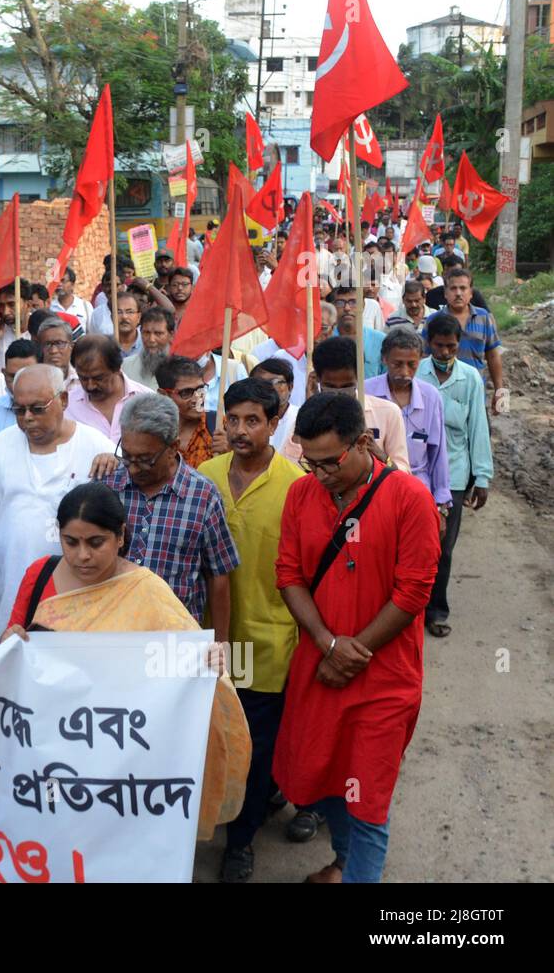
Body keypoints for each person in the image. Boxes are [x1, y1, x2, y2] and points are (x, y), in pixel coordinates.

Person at [0, 482, 250, 842]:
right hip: (46, 745)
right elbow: (11, 650)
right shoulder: (40, 574)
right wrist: (10, 645)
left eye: (95, 542)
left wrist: (208, 662)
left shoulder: (145, 591)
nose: (82, 555)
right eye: (71, 542)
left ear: (120, 536)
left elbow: (181, 666)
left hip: (116, 756)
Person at [274, 393, 440, 883]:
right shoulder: (302, 495)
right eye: (310, 462)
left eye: (331, 462)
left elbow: (413, 593)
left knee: (367, 797)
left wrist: (352, 651)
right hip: (320, 667)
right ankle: (343, 864)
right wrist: (328, 643)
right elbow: (288, 575)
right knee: (326, 780)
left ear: (364, 442)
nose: (320, 474)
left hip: (384, 677)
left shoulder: (410, 499)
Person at [196, 380, 305, 882]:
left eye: (252, 420)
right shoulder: (204, 476)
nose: (240, 430)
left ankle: (241, 842)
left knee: (257, 745)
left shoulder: (296, 485)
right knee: (211, 737)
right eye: (233, 419)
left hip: (267, 639)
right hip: (208, 638)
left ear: (274, 422)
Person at [0, 364, 117, 654]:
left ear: (64, 401)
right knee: (7, 666)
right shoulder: (2, 445)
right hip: (6, 585)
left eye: (37, 408)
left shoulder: (97, 447)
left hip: (74, 592)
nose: (28, 419)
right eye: (19, 410)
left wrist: (115, 461)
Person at [102, 394, 238, 638]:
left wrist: (220, 643)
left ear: (173, 447)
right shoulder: (107, 484)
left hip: (175, 641)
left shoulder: (203, 496)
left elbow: (218, 575)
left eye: (144, 460)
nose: (132, 468)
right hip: (111, 634)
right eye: (126, 456)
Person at [419, 313, 493, 638]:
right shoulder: (416, 373)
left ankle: (436, 610)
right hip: (418, 473)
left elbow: (478, 426)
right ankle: (409, 609)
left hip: (456, 475)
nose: (445, 353)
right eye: (439, 346)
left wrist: (483, 475)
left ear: (458, 345)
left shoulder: (471, 378)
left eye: (451, 347)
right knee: (412, 546)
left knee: (443, 547)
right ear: (428, 344)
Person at [366, 329, 453, 516]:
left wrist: (441, 502)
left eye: (411, 365)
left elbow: (438, 454)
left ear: (420, 360)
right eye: (397, 364)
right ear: (384, 359)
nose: (404, 372)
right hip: (375, 492)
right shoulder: (366, 393)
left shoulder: (430, 397)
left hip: (418, 492)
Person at [296, 335, 410, 471]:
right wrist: (311, 409)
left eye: (347, 386)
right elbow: (294, 466)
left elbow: (404, 472)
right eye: (331, 387)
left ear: (359, 377)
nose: (339, 394)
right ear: (317, 379)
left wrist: (380, 455)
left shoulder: (388, 412)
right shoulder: (307, 414)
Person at [434, 268, 505, 412]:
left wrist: (501, 392)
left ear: (471, 293)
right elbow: (425, 357)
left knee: (481, 433)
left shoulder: (484, 317)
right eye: (453, 288)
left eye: (463, 288)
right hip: (442, 396)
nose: (458, 293)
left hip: (476, 393)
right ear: (445, 293)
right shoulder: (434, 320)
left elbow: (493, 355)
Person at [67, 334, 153, 440]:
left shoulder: (148, 402)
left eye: (98, 378)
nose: (90, 386)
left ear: (117, 368)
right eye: (83, 378)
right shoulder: (67, 406)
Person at [157, 356, 218, 469]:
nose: (197, 399)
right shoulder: (153, 434)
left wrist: (231, 455)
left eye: (201, 389)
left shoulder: (220, 427)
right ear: (164, 395)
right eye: (186, 392)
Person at [331, 285, 385, 377]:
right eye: (340, 303)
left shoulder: (381, 340)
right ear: (333, 306)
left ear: (363, 305)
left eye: (353, 302)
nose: (347, 308)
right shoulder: (325, 340)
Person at [252, 356, 300, 457]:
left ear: (290, 387)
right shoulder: (246, 420)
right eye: (261, 384)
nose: (269, 388)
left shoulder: (301, 419)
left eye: (275, 382)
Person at [122, 305, 175, 391]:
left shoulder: (181, 370)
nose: (151, 339)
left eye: (158, 333)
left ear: (171, 335)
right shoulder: (125, 367)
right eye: (146, 333)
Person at [0, 279, 34, 370]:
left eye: (11, 305)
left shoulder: (39, 332)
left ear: (28, 305)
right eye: (1, 306)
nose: (5, 312)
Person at [33, 315, 78, 390]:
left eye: (60, 343)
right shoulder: (33, 382)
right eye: (47, 344)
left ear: (71, 347)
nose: (53, 351)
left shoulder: (82, 380)